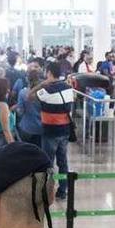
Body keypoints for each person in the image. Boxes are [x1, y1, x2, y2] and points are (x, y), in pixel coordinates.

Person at [33, 62, 74, 199]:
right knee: (63, 161)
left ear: (49, 73)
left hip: (50, 131)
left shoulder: (46, 91)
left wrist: (43, 83)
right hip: (65, 130)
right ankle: (63, 190)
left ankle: (48, 190)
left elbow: (29, 96)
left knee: (48, 161)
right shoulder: (69, 88)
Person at [15, 70, 44, 148]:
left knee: (26, 151)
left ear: (27, 79)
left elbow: (20, 111)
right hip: (42, 127)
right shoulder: (44, 93)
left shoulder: (22, 93)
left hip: (26, 127)